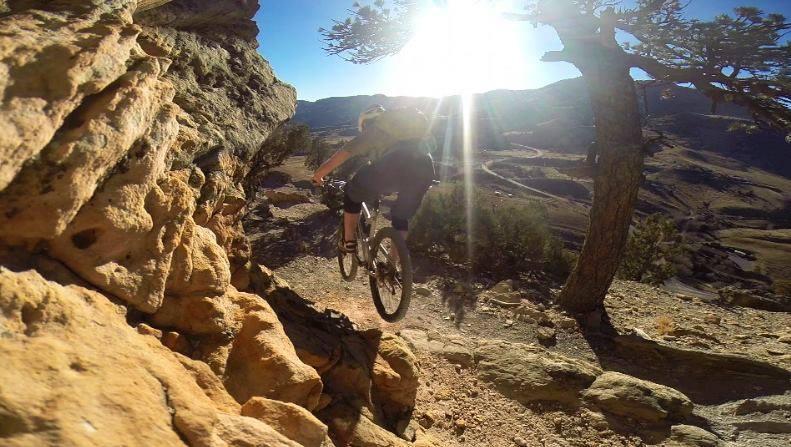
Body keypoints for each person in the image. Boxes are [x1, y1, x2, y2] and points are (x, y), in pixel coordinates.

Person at [312, 105, 436, 254]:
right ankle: (393, 268)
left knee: (352, 192)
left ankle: (348, 241)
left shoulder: (375, 130)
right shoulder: (405, 132)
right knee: (400, 218)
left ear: (367, 122)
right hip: (426, 167)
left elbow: (342, 155)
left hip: (395, 163)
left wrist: (318, 174)